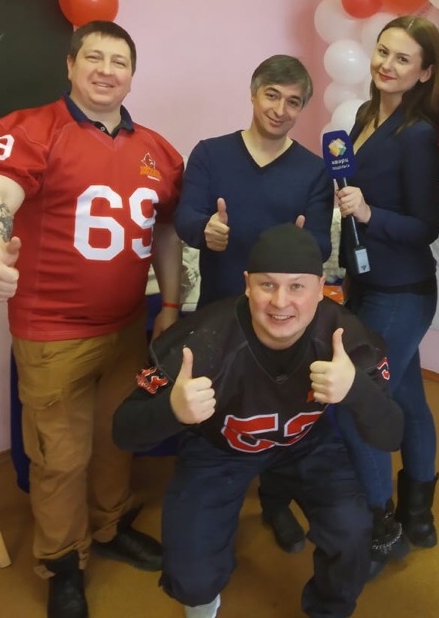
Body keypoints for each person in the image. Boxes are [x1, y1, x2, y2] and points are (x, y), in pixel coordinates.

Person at [0, 20, 184, 618]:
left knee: (115, 439)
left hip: (125, 325)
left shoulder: (158, 150)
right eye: (94, 57)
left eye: (119, 62)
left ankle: (110, 527)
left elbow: (165, 230)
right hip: (53, 331)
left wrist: (169, 304)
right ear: (69, 65)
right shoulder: (32, 130)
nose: (106, 71)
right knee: (60, 458)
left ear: (132, 75)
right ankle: (63, 562)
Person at [112, 223, 403, 618]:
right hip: (219, 448)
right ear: (247, 284)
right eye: (267, 285)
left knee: (351, 529)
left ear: (321, 288)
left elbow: (390, 435)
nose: (281, 302)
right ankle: (203, 601)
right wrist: (172, 411)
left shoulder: (346, 337)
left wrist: (356, 389)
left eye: (297, 286)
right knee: (191, 577)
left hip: (305, 443)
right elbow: (123, 431)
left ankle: (329, 609)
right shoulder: (200, 341)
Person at [174, 54, 334, 554]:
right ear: (253, 93)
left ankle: (275, 501)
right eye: (272, 96)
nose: (281, 110)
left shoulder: (312, 170)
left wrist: (305, 246)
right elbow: (185, 216)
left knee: (281, 412)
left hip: (282, 322)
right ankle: (215, 512)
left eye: (294, 102)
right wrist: (206, 229)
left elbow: (322, 244)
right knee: (214, 414)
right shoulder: (210, 154)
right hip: (220, 312)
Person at [334, 15, 439, 578]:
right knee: (408, 400)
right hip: (366, 283)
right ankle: (419, 517)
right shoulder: (363, 116)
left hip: (401, 293)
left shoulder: (418, 134)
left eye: (403, 58)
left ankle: (384, 528)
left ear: (424, 72)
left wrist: (370, 213)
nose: (387, 65)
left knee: (360, 402)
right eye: (383, 51)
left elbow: (426, 226)